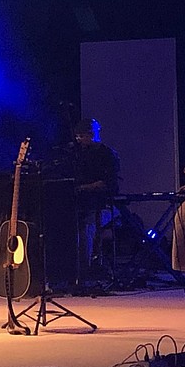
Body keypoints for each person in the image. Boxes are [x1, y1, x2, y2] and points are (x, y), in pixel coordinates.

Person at [71, 118, 120, 277]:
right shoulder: (78, 154)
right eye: (78, 137)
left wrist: (84, 188)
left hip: (104, 205)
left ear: (92, 134)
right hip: (81, 204)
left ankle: (83, 271)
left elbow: (108, 183)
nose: (80, 140)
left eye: (83, 136)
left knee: (87, 227)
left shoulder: (107, 154)